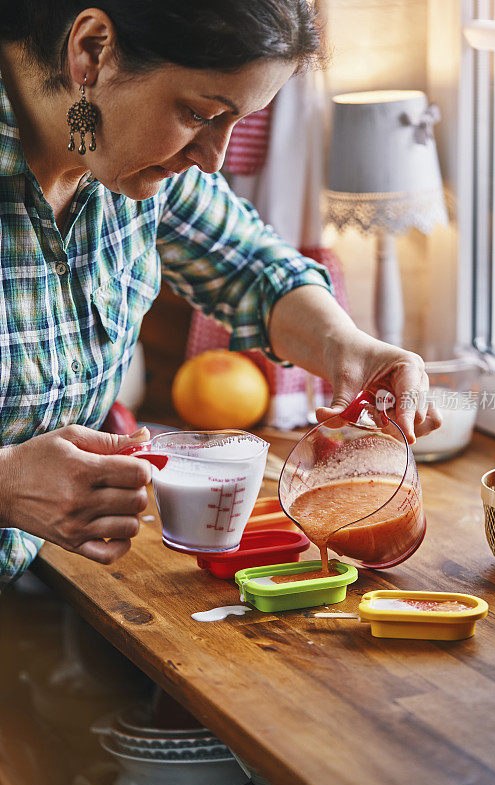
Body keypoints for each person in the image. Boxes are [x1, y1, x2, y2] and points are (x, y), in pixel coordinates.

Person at [0, 0, 440, 587]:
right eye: (199, 113)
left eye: (238, 122)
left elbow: (253, 268)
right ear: (92, 50)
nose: (213, 161)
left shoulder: (129, 170)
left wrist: (347, 349)